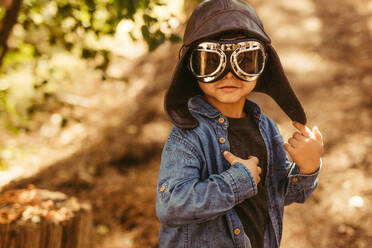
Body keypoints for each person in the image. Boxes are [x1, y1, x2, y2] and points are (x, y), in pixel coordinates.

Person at [156, 0, 324, 247]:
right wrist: (237, 182)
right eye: (211, 61)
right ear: (192, 68)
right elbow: (170, 206)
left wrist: (308, 168)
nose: (229, 73)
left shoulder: (266, 128)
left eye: (245, 59)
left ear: (263, 66)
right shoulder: (187, 135)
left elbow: (279, 194)